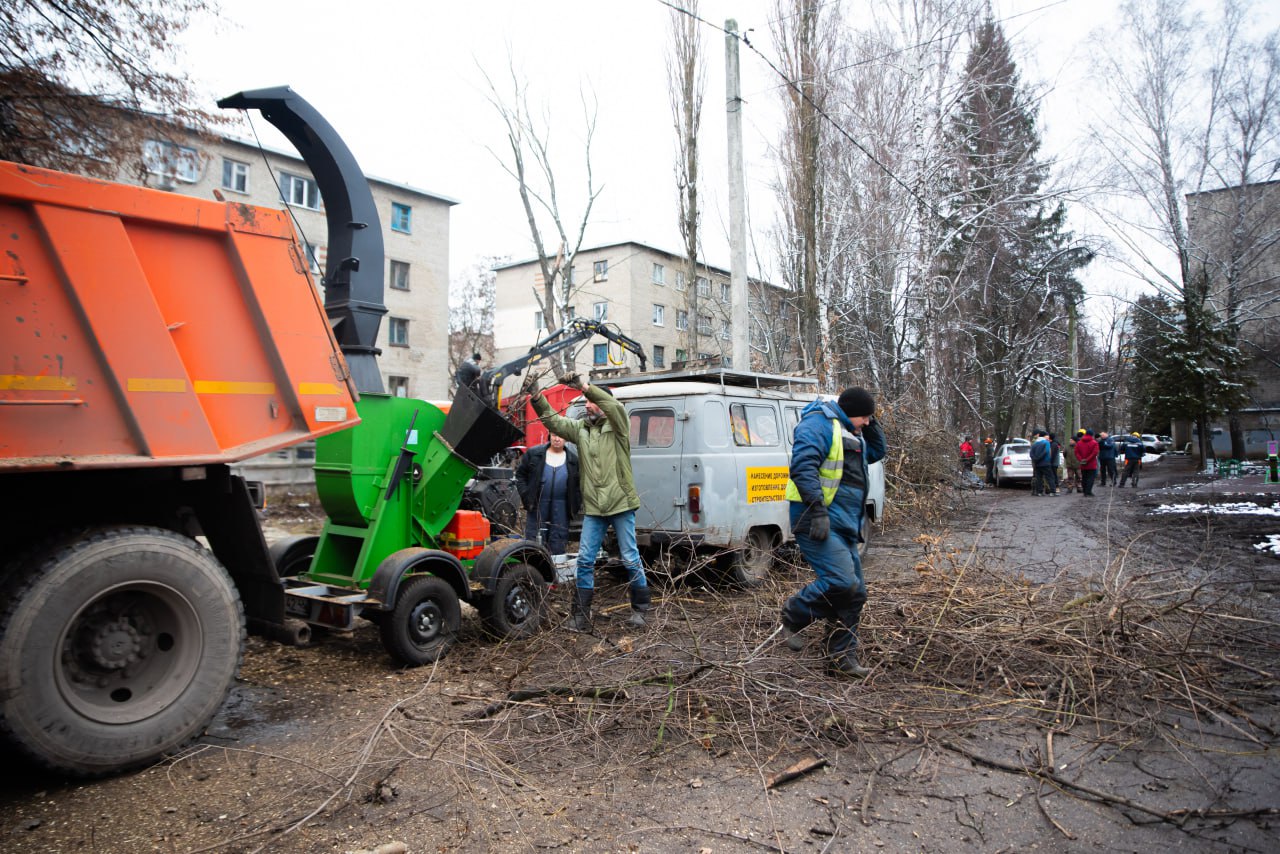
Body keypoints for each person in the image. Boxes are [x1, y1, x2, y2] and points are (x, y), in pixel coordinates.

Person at [779, 387, 887, 677]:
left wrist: (872, 424)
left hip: (845, 523)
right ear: (851, 411)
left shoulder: (851, 431)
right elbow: (802, 468)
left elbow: (877, 452)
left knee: (856, 594)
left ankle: (841, 659)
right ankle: (794, 613)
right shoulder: (818, 424)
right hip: (817, 520)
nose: (866, 422)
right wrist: (817, 510)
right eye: (864, 417)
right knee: (841, 582)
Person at [530, 374, 649, 630]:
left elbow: (614, 407)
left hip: (620, 503)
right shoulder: (582, 429)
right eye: (584, 401)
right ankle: (580, 616)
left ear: (601, 403)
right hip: (595, 507)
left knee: (629, 557)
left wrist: (585, 387)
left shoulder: (619, 426)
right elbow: (556, 422)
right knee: (585, 559)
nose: (586, 405)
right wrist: (537, 398)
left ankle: (640, 610)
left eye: (590, 401)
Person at [514, 433, 581, 568]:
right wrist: (526, 495)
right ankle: (534, 576)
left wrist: (576, 503)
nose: (557, 439)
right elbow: (520, 475)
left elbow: (579, 486)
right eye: (555, 435)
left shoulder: (573, 460)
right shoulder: (534, 454)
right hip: (537, 504)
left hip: (562, 507)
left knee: (558, 542)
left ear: (566, 438)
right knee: (534, 541)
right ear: (550, 435)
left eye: (561, 436)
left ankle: (555, 580)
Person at [1075, 429, 1100, 496]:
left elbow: (1076, 452)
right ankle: (1088, 491)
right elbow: (1095, 453)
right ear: (1092, 435)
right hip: (1091, 463)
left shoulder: (1079, 442)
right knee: (1091, 478)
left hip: (1083, 464)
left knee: (1084, 477)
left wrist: (1081, 460)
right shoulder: (1094, 443)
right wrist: (1087, 459)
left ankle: (1085, 491)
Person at [1029, 431, 1054, 496]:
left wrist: (1035, 459)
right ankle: (1052, 491)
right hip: (1045, 462)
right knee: (1049, 477)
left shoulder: (1035, 443)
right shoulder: (1046, 442)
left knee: (1039, 478)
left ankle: (1039, 492)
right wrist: (1039, 458)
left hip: (1037, 464)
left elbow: (1031, 453)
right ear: (1044, 436)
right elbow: (1046, 451)